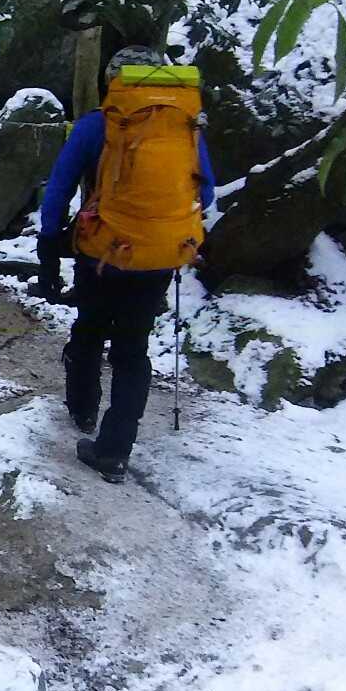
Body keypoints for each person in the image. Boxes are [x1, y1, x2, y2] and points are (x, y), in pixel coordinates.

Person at [34, 47, 216, 482]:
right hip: (159, 255)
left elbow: (58, 189)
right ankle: (114, 451)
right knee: (133, 350)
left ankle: (82, 411)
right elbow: (206, 193)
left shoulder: (96, 124)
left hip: (102, 252)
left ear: (113, 82)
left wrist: (49, 245)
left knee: (90, 329)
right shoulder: (184, 124)